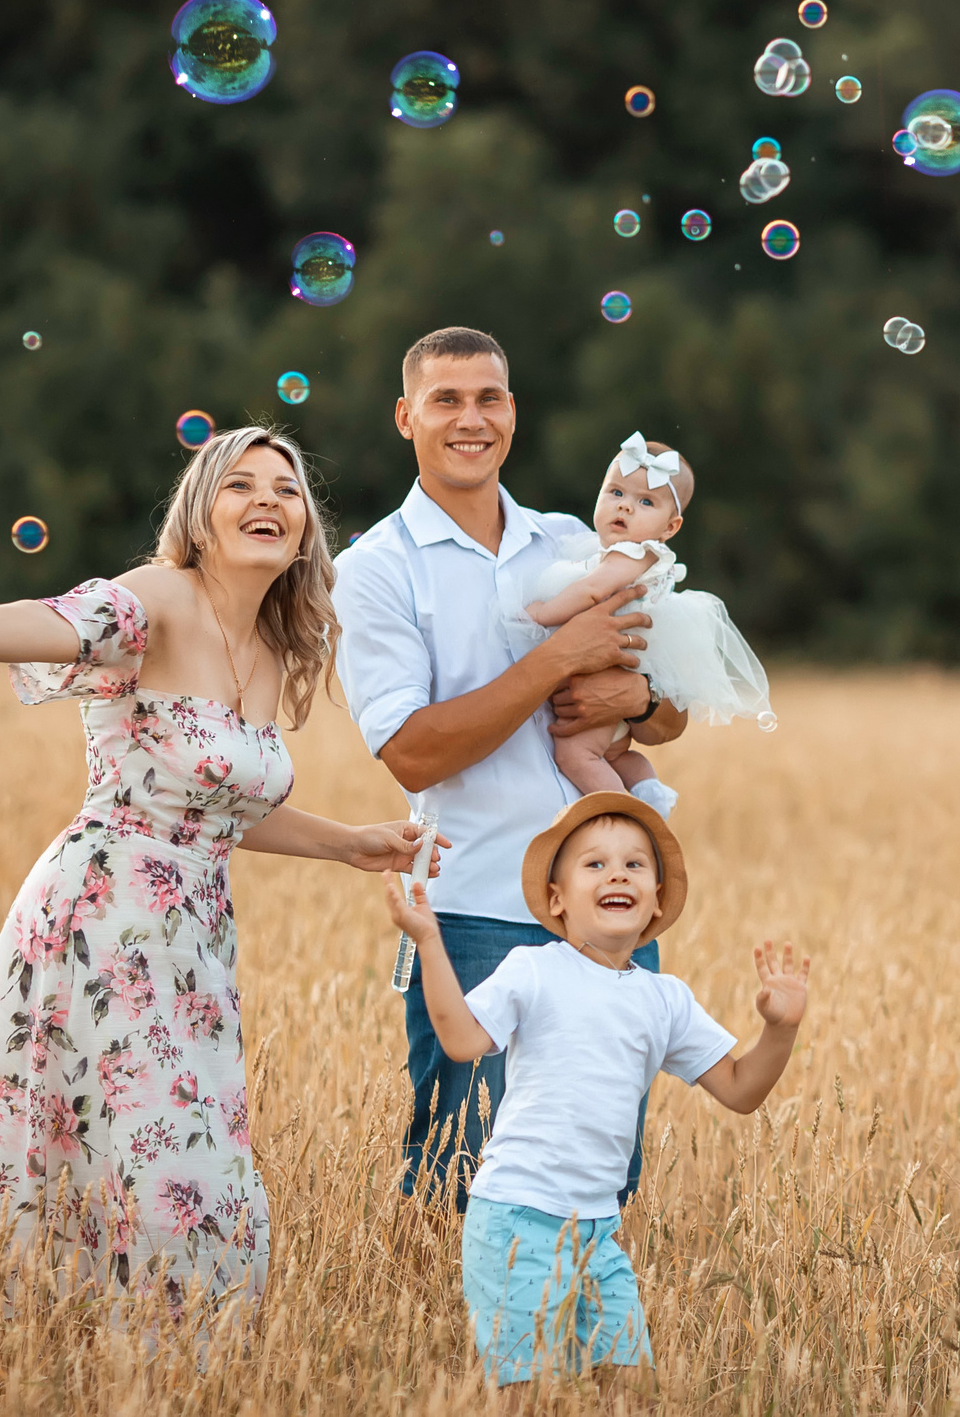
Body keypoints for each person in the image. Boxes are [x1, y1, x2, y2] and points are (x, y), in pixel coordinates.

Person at [0, 425, 435, 1321]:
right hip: (102, 909)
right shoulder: (158, 595)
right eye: (241, 485)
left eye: (287, 487)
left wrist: (350, 842)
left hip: (193, 937)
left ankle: (154, 1361)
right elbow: (63, 620)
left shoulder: (271, 649)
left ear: (308, 525)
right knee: (146, 1153)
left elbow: (219, 812)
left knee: (180, 1144)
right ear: (199, 515)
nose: (269, 499)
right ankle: (56, 1342)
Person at [333, 327, 690, 1206]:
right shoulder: (373, 569)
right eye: (447, 399)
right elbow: (411, 748)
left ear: (513, 413)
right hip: (475, 909)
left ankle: (570, 1342)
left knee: (600, 1175)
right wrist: (557, 659)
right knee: (469, 1173)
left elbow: (673, 708)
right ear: (405, 415)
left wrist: (631, 701)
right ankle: (450, 1346)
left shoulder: (574, 539)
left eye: (489, 397)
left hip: (606, 901)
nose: (471, 418)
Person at [382, 792, 808, 1393]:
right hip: (514, 1219)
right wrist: (429, 941)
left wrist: (779, 1030)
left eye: (636, 865)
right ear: (556, 899)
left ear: (656, 899)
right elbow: (457, 1040)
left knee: (632, 1388)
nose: (618, 874)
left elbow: (741, 1090)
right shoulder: (534, 970)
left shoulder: (665, 998)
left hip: (600, 1230)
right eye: (595, 864)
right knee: (524, 1394)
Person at [515, 431, 774, 795]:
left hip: (606, 676)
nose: (625, 507)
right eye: (616, 493)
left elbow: (591, 591)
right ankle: (650, 793)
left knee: (577, 755)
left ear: (670, 528)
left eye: (646, 502)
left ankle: (623, 811)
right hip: (612, 681)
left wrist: (541, 613)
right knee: (618, 755)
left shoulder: (633, 555)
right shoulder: (595, 547)